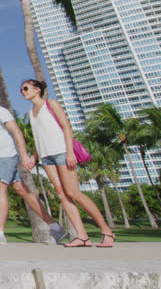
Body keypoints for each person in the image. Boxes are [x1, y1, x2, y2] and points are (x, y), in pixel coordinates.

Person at [20, 79, 116, 248]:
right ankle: (82, 236)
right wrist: (34, 157)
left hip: (62, 152)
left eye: (26, 88)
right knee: (62, 195)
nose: (23, 91)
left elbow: (66, 126)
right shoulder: (31, 113)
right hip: (46, 157)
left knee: (74, 193)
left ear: (37, 90)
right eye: (22, 90)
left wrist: (70, 151)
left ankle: (107, 231)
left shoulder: (51, 104)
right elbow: (38, 138)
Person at [0, 86, 66, 245]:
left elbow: (17, 132)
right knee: (22, 190)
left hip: (6, 155)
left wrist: (24, 155)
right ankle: (55, 227)